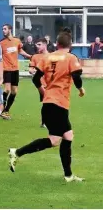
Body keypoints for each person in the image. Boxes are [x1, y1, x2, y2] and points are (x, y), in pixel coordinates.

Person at [8, 32, 85, 183]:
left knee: (60, 138)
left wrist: (43, 91)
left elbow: (36, 78)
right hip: (59, 103)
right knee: (62, 138)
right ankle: (17, 152)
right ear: (70, 45)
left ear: (56, 44)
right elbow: (76, 76)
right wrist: (81, 89)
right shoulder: (71, 58)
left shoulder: (47, 58)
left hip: (49, 103)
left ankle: (68, 175)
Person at [0, 24, 32, 120]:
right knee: (7, 89)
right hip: (6, 69)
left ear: (10, 29)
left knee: (14, 91)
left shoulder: (17, 41)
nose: (3, 31)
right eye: (2, 29)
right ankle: (1, 109)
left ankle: (6, 111)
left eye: (5, 29)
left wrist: (29, 56)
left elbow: (20, 50)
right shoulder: (1, 43)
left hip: (15, 69)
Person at [29, 38, 49, 128]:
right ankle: (44, 122)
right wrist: (32, 71)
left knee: (48, 102)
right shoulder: (35, 57)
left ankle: (45, 121)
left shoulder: (52, 56)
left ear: (45, 45)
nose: (37, 46)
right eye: (36, 44)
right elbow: (31, 69)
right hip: (41, 83)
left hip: (52, 83)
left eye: (39, 44)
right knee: (46, 102)